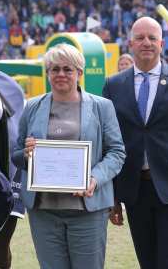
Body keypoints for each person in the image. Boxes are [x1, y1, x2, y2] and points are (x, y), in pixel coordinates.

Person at [102, 17, 168, 269]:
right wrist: (113, 196)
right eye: (140, 38)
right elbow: (108, 143)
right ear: (130, 43)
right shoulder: (113, 85)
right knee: (147, 262)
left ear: (162, 43)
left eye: (152, 38)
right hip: (134, 191)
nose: (146, 43)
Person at [12, 43, 125, 269]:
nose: (61, 74)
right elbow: (16, 155)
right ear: (48, 73)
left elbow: (116, 152)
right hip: (44, 212)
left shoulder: (102, 107)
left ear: (80, 73)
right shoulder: (32, 107)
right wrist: (26, 154)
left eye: (68, 69)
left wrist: (94, 178)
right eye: (55, 69)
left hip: (88, 211)